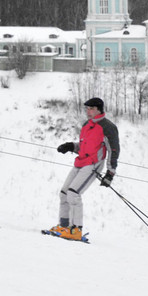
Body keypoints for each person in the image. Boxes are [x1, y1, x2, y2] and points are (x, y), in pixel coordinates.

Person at [51, 97, 120, 240]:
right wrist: (71, 146)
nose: (88, 112)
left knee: (73, 193)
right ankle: (64, 226)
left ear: (99, 110)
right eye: (87, 108)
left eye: (92, 109)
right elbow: (84, 146)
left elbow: (114, 150)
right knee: (64, 193)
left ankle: (76, 230)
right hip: (80, 162)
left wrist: (110, 173)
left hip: (93, 164)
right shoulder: (86, 125)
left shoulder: (108, 127)